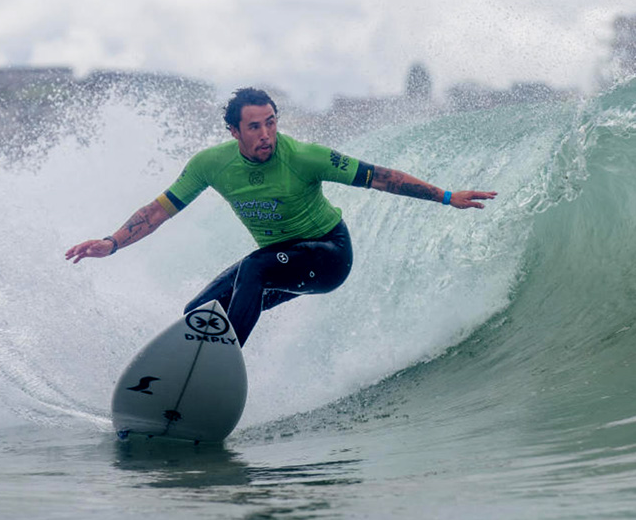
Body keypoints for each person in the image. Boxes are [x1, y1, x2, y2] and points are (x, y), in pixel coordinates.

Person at [65, 87, 496, 346]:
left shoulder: (304, 157)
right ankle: (190, 380)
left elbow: (379, 178)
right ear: (233, 132)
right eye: (254, 127)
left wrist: (445, 196)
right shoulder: (211, 164)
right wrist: (113, 242)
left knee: (254, 268)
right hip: (280, 257)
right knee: (201, 309)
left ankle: (222, 363)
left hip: (328, 255)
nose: (266, 134)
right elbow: (159, 210)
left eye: (271, 123)